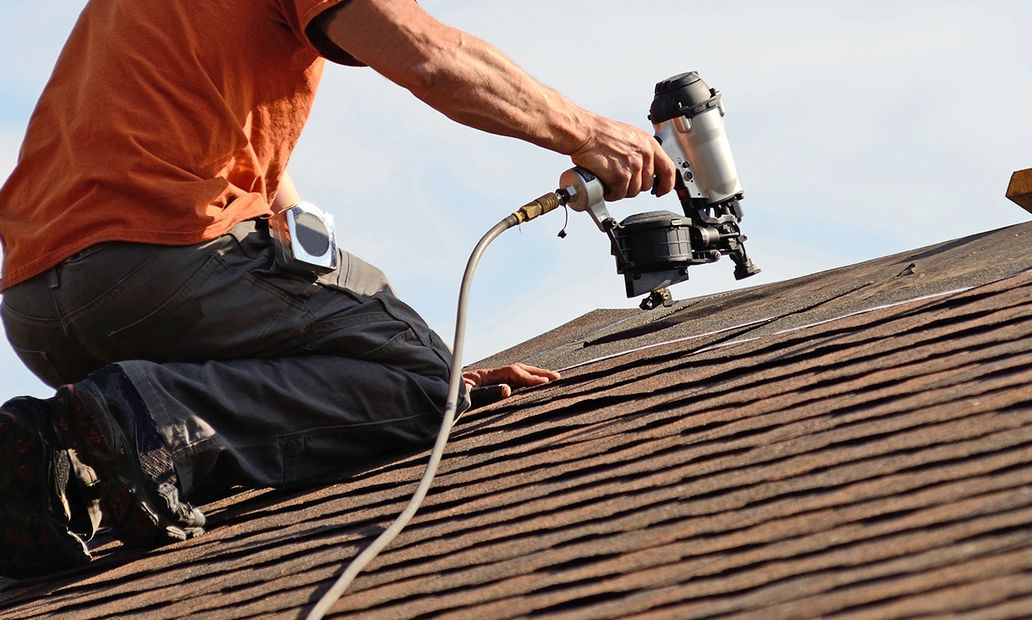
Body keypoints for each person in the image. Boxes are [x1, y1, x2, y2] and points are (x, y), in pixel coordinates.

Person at [0, 0, 677, 578]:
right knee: (427, 392)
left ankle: (62, 466)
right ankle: (147, 412)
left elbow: (274, 209)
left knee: (389, 361)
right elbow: (429, 55)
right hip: (160, 263)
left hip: (36, 306)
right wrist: (588, 133)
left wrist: (370, 355)